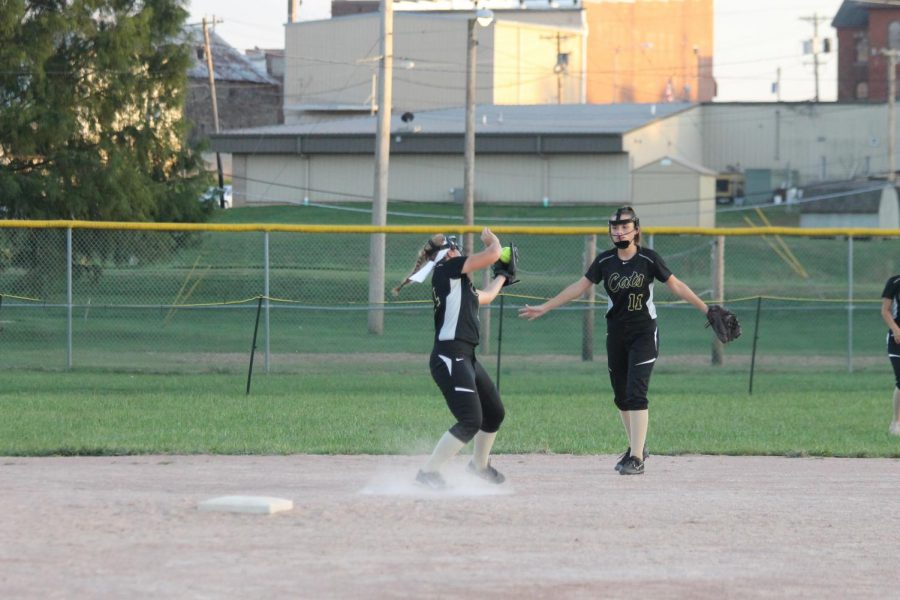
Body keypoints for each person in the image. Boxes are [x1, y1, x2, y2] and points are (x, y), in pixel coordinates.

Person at [518, 206, 710, 475]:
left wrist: (707, 309)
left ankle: (636, 458)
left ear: (636, 229)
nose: (619, 231)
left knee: (635, 393)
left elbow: (676, 285)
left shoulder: (648, 259)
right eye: (615, 227)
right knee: (621, 397)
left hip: (644, 333)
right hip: (616, 334)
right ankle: (637, 448)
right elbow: (579, 287)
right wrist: (545, 306)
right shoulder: (605, 261)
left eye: (624, 226)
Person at [393, 228, 512, 489]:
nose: (461, 252)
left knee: (494, 413)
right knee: (471, 420)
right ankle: (428, 472)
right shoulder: (448, 269)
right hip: (449, 356)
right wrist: (494, 242)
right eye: (456, 248)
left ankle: (479, 466)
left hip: (465, 356)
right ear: (447, 253)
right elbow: (492, 253)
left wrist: (503, 275)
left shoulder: (459, 283)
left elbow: (488, 296)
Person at [880, 274, 900, 435]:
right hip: (897, 339)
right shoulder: (895, 281)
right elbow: (885, 310)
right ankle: (897, 422)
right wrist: (895, 329)